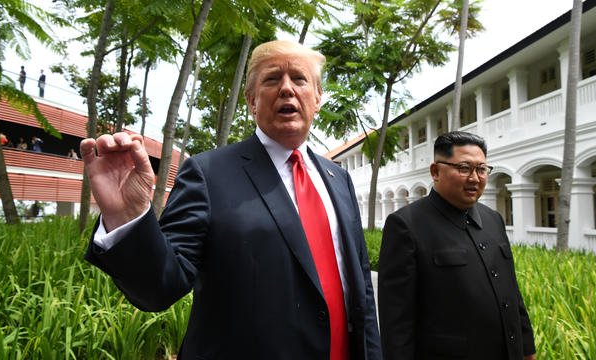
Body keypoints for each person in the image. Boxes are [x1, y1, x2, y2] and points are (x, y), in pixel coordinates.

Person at [81, 40, 381, 360]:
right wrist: (130, 218)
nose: (286, 89)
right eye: (271, 79)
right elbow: (160, 288)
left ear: (318, 97)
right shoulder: (207, 174)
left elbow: (361, 288)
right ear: (252, 100)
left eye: (299, 78)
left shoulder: (339, 180)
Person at [378, 131, 536, 360]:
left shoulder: (493, 219)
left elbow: (511, 292)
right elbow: (396, 320)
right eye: (464, 168)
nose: (475, 178)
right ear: (435, 171)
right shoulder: (406, 226)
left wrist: (526, 348)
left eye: (482, 169)